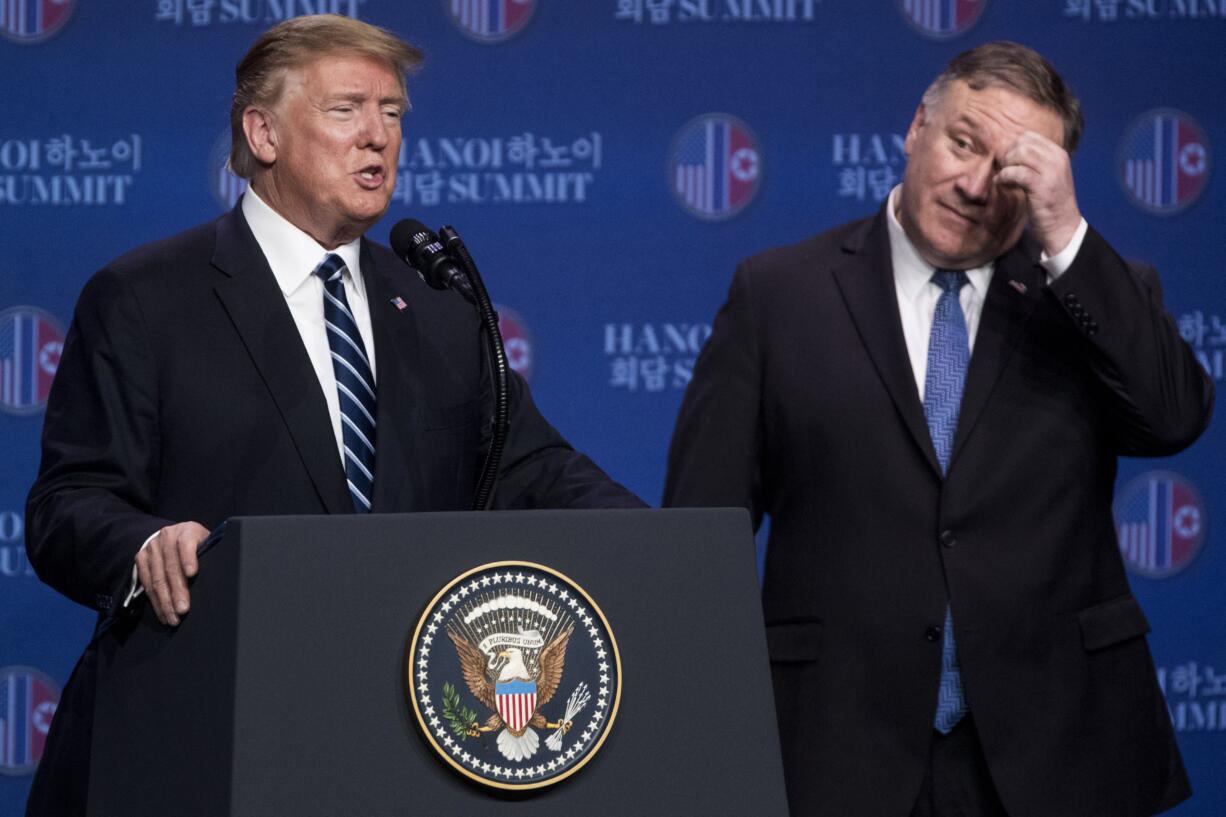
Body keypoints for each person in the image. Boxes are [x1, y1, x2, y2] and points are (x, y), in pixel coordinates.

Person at [25, 15, 642, 816]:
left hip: (395, 737)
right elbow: (66, 503)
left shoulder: (439, 307)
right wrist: (145, 544)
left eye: (392, 113)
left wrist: (655, 546)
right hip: (205, 720)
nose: (378, 137)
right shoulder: (147, 298)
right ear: (263, 132)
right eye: (347, 109)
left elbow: (537, 470)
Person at [664, 42, 1212, 817]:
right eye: (963, 142)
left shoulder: (1088, 295)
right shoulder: (778, 294)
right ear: (916, 126)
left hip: (1059, 751)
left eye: (1014, 168)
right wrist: (703, 737)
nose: (976, 184)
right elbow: (702, 531)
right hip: (836, 747)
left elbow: (1174, 416)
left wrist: (1066, 234)